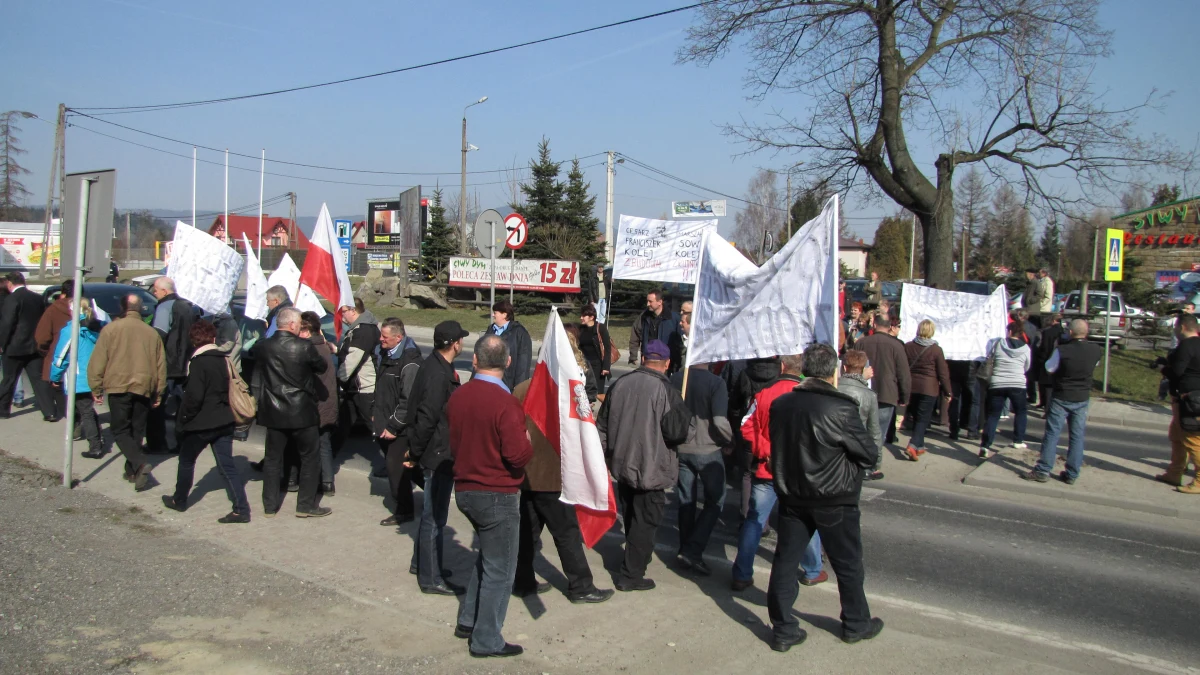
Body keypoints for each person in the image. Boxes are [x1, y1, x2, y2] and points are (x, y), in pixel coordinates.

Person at [765, 343, 883, 652]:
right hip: (833, 497)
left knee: (786, 563)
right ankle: (856, 623)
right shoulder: (841, 409)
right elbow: (869, 454)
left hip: (793, 495)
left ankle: (783, 629)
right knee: (847, 564)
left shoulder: (783, 404)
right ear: (833, 372)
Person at [446, 335, 534, 658]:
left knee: (488, 558)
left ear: (474, 360)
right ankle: (486, 638)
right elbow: (517, 455)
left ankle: (468, 620)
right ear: (508, 363)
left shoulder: (460, 396)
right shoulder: (506, 403)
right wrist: (527, 441)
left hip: (466, 488)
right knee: (501, 569)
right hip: (497, 492)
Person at [512, 354, 614, 605]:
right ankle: (581, 586)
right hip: (553, 476)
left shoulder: (522, 388)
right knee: (566, 533)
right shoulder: (564, 394)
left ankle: (522, 580)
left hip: (528, 474)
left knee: (528, 532)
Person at [597, 339, 690, 592]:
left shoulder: (621, 384)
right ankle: (631, 574)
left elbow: (602, 426)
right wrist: (684, 414)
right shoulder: (667, 391)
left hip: (623, 464)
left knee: (631, 517)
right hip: (651, 469)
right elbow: (676, 434)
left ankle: (633, 561)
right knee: (644, 523)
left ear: (642, 359)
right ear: (667, 363)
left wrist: (605, 458)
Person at [731, 353, 827, 592]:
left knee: (754, 521)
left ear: (782, 366)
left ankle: (742, 573)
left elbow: (746, 426)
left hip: (767, 468)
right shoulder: (811, 398)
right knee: (805, 520)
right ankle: (813, 569)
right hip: (798, 472)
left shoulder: (764, 393)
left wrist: (764, 450)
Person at [160, 320, 250, 523]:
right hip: (224, 420)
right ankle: (241, 509)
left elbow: (194, 398)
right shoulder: (223, 359)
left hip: (201, 424)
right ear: (212, 337)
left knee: (186, 461)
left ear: (194, 340)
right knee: (227, 466)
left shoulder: (198, 362)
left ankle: (179, 500)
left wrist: (183, 420)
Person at [406, 320, 468, 595]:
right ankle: (431, 579)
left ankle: (422, 564)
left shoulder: (436, 366)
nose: (462, 343)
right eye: (461, 340)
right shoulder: (438, 374)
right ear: (455, 344)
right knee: (435, 516)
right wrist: (415, 452)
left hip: (436, 450)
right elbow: (426, 417)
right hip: (437, 453)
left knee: (433, 515)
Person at [669, 311, 733, 575]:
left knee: (685, 500)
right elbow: (719, 421)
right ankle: (692, 550)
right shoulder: (716, 383)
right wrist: (729, 440)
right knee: (715, 500)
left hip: (682, 446)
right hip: (707, 448)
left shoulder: (676, 378)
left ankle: (686, 548)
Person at [252, 307, 331, 518]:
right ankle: (305, 505)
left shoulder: (264, 346)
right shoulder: (303, 347)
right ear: (294, 325)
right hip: (301, 410)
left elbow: (254, 358)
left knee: (272, 459)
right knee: (309, 458)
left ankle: (269, 506)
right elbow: (322, 366)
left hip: (273, 410)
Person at [87, 294, 166, 492]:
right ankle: (132, 471)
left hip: (118, 385)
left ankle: (139, 464)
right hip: (143, 386)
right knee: (137, 429)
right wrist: (159, 392)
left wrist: (95, 387)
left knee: (120, 429)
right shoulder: (151, 333)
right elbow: (160, 366)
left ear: (123, 307)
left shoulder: (111, 329)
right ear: (140, 309)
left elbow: (98, 361)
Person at [1025, 319, 1103, 484]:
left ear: (1071, 333)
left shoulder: (1063, 350)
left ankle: (1043, 469)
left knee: (1052, 434)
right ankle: (1072, 473)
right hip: (1082, 396)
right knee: (1077, 436)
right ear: (1086, 332)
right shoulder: (1096, 350)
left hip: (1061, 395)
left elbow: (1049, 367)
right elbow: (1094, 365)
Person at [374, 317, 423, 525]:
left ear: (398, 337)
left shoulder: (410, 362)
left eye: (385, 337)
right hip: (385, 421)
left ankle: (404, 511)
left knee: (395, 468)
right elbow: (384, 389)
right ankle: (434, 489)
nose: (381, 340)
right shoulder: (384, 353)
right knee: (409, 466)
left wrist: (394, 426)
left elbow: (407, 400)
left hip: (400, 427)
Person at [50, 297, 106, 458]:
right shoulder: (97, 327)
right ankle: (97, 439)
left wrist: (55, 376)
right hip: (95, 374)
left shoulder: (71, 330)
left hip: (78, 377)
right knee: (88, 409)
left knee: (85, 411)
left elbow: (61, 357)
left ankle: (95, 446)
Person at [727, 356, 781, 517]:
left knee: (747, 473)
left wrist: (737, 423)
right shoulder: (778, 373)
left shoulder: (746, 373)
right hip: (772, 428)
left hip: (749, 427)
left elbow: (735, 401)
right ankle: (762, 518)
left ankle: (746, 513)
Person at [148, 276, 197, 452]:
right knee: (182, 406)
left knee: (157, 404)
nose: (154, 293)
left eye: (156, 289)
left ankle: (157, 444)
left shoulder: (164, 307)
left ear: (164, 291)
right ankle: (182, 443)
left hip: (168, 364)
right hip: (187, 362)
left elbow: (158, 335)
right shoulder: (188, 307)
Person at [856, 314, 909, 474]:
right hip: (887, 394)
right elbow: (904, 374)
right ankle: (871, 467)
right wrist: (905, 396)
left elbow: (850, 364)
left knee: (863, 430)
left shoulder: (862, 343)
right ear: (890, 326)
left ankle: (861, 464)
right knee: (878, 433)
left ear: (874, 324)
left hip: (863, 391)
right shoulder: (896, 346)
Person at [0, 272, 54, 420]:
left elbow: (7, 324)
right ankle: (49, 412)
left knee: (9, 379)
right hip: (34, 347)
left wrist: (1, 344)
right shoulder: (37, 298)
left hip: (14, 347)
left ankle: (3, 411)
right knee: (39, 380)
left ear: (10, 283)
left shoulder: (12, 299)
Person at [299, 312, 339, 496]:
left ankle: (314, 483)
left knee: (312, 447)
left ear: (307, 330)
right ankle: (328, 482)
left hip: (317, 404)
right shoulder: (324, 346)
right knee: (324, 444)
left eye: (300, 329)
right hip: (328, 402)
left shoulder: (309, 349)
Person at [979, 321, 1032, 459]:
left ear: (1009, 332)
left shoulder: (998, 344)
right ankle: (1018, 440)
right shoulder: (1026, 348)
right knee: (1021, 412)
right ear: (1021, 334)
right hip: (1017, 384)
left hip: (998, 383)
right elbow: (1027, 366)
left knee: (993, 415)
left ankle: (985, 445)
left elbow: (990, 358)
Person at [1160, 313, 1200, 493]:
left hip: (1189, 399)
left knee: (1192, 440)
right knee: (1176, 436)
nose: (1175, 330)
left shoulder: (1186, 346)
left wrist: (1163, 369)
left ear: (1182, 327)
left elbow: (1177, 372)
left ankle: (1199, 480)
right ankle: (1175, 472)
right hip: (1188, 397)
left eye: (1175, 327)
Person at [902, 319, 951, 461]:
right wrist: (947, 391)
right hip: (929, 388)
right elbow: (943, 373)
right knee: (923, 418)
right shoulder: (936, 349)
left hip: (911, 386)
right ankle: (912, 444)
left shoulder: (908, 346)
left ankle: (919, 446)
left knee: (917, 416)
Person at [336, 298, 380, 436]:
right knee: (342, 428)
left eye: (343, 312)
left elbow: (352, 360)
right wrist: (337, 350)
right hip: (354, 387)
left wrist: (338, 381)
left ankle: (397, 455)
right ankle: (327, 455)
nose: (341, 315)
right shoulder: (357, 328)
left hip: (364, 388)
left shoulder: (363, 331)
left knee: (375, 428)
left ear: (353, 311)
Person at [35, 279, 75, 422]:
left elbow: (42, 336)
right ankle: (80, 419)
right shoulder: (89, 309)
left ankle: (72, 419)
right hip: (81, 358)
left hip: (57, 355)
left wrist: (44, 351)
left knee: (59, 388)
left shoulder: (53, 309)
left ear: (63, 294)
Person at [838, 350, 882, 475]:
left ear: (845, 367)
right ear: (863, 369)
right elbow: (874, 432)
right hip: (856, 448)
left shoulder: (834, 387)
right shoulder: (869, 395)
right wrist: (876, 462)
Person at [628, 290, 682, 373]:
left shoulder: (673, 319)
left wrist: (677, 361)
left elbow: (680, 341)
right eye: (647, 301)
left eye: (650, 301)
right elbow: (635, 334)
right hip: (648, 360)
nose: (647, 304)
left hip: (666, 363)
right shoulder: (644, 317)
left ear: (660, 302)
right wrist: (633, 355)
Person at [487, 300, 533, 390]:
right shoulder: (490, 330)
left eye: (495, 313)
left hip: (508, 384)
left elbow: (524, 362)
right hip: (489, 381)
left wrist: (519, 387)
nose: (493, 315)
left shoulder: (519, 332)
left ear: (504, 315)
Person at [1036, 313, 1067, 413]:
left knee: (1046, 386)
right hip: (1060, 361)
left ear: (1053, 321)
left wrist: (1041, 359)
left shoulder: (1047, 332)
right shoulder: (1064, 333)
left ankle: (1046, 406)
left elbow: (1043, 348)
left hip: (1047, 360)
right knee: (1053, 386)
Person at [577, 303, 611, 394]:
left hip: (597, 365)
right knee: (584, 391)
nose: (581, 318)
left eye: (584, 316)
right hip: (584, 364)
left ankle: (607, 408)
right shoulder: (580, 328)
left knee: (598, 393)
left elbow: (607, 348)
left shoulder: (600, 328)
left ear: (591, 317)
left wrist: (606, 367)